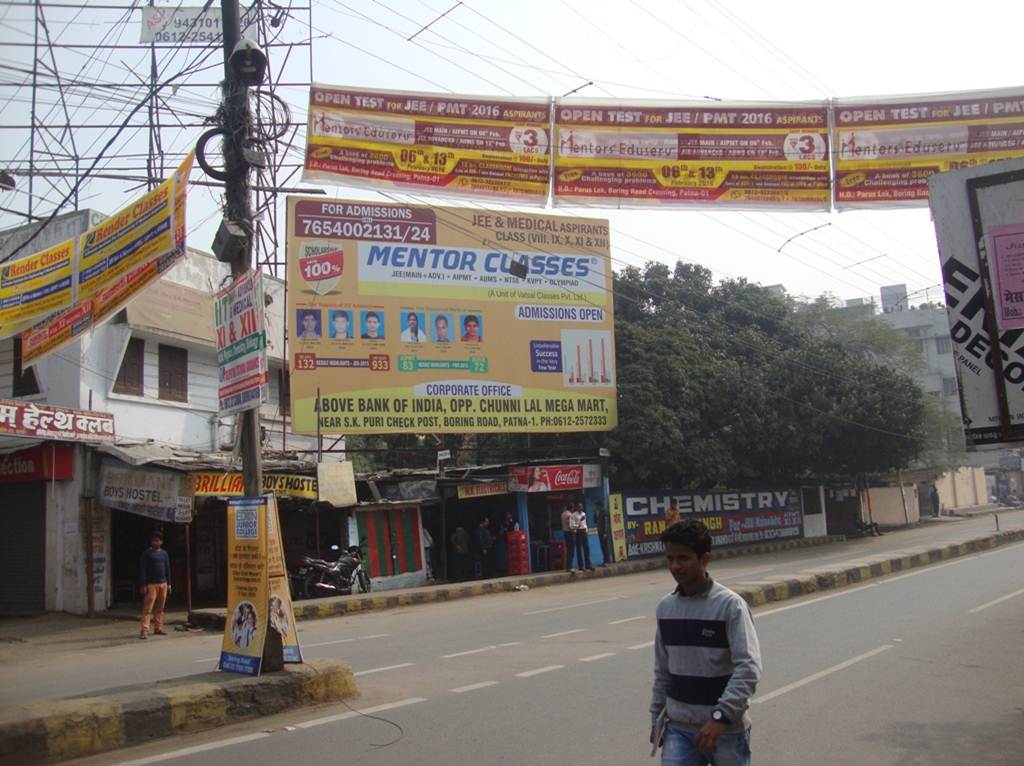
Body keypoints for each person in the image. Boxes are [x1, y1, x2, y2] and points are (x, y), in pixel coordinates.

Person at [649, 520, 761, 766]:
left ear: (704, 559)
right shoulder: (666, 608)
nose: (676, 566)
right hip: (679, 728)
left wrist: (720, 718)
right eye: (670, 559)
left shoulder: (730, 606)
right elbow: (663, 671)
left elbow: (748, 668)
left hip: (726, 731)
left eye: (684, 558)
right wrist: (656, 717)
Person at [139, 530, 171, 639]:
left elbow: (167, 568)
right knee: (148, 608)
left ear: (161, 542)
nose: (155, 543)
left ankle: (158, 628)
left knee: (160, 608)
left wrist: (169, 584)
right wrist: (143, 584)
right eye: (153, 541)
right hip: (151, 584)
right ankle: (144, 630)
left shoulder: (164, 554)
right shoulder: (146, 553)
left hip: (163, 583)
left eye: (157, 541)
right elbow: (142, 569)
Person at [570, 502, 593, 571]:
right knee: (579, 550)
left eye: (581, 506)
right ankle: (581, 566)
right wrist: (579, 523)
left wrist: (586, 530)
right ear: (576, 507)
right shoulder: (573, 515)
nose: (581, 508)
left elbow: (585, 523)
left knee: (587, 549)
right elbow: (571, 526)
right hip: (578, 532)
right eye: (579, 507)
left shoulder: (584, 513)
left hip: (584, 531)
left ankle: (588, 565)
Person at [560, 503, 574, 570]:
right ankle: (569, 566)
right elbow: (570, 525)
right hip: (570, 533)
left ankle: (568, 566)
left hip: (565, 532)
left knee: (568, 549)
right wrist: (574, 530)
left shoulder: (563, 514)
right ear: (571, 508)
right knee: (571, 550)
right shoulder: (569, 515)